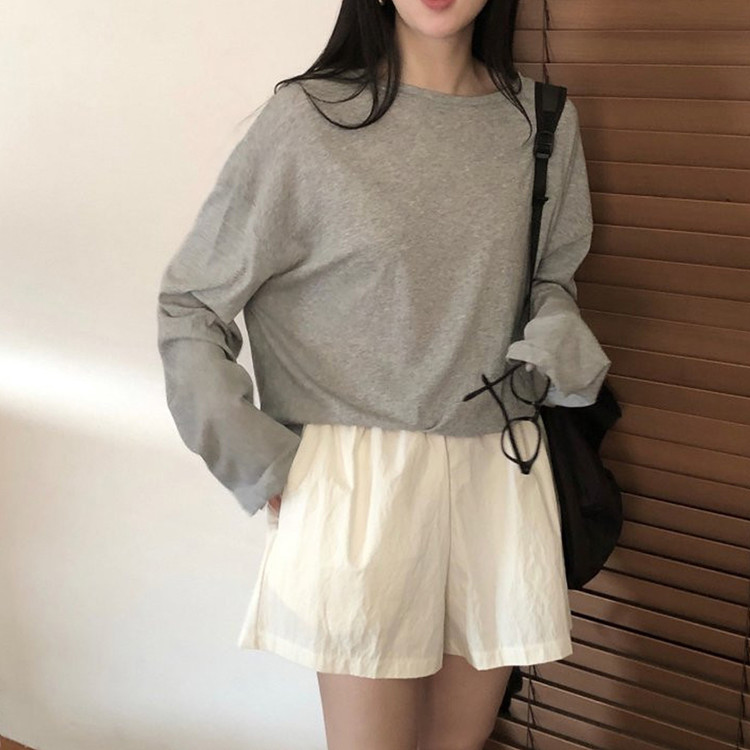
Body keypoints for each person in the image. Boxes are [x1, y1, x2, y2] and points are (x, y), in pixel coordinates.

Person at [155, 0, 611, 747]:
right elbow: (191, 304)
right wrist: (255, 457)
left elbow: (549, 277)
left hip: (501, 470)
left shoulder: (544, 121)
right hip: (359, 481)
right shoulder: (309, 118)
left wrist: (561, 342)